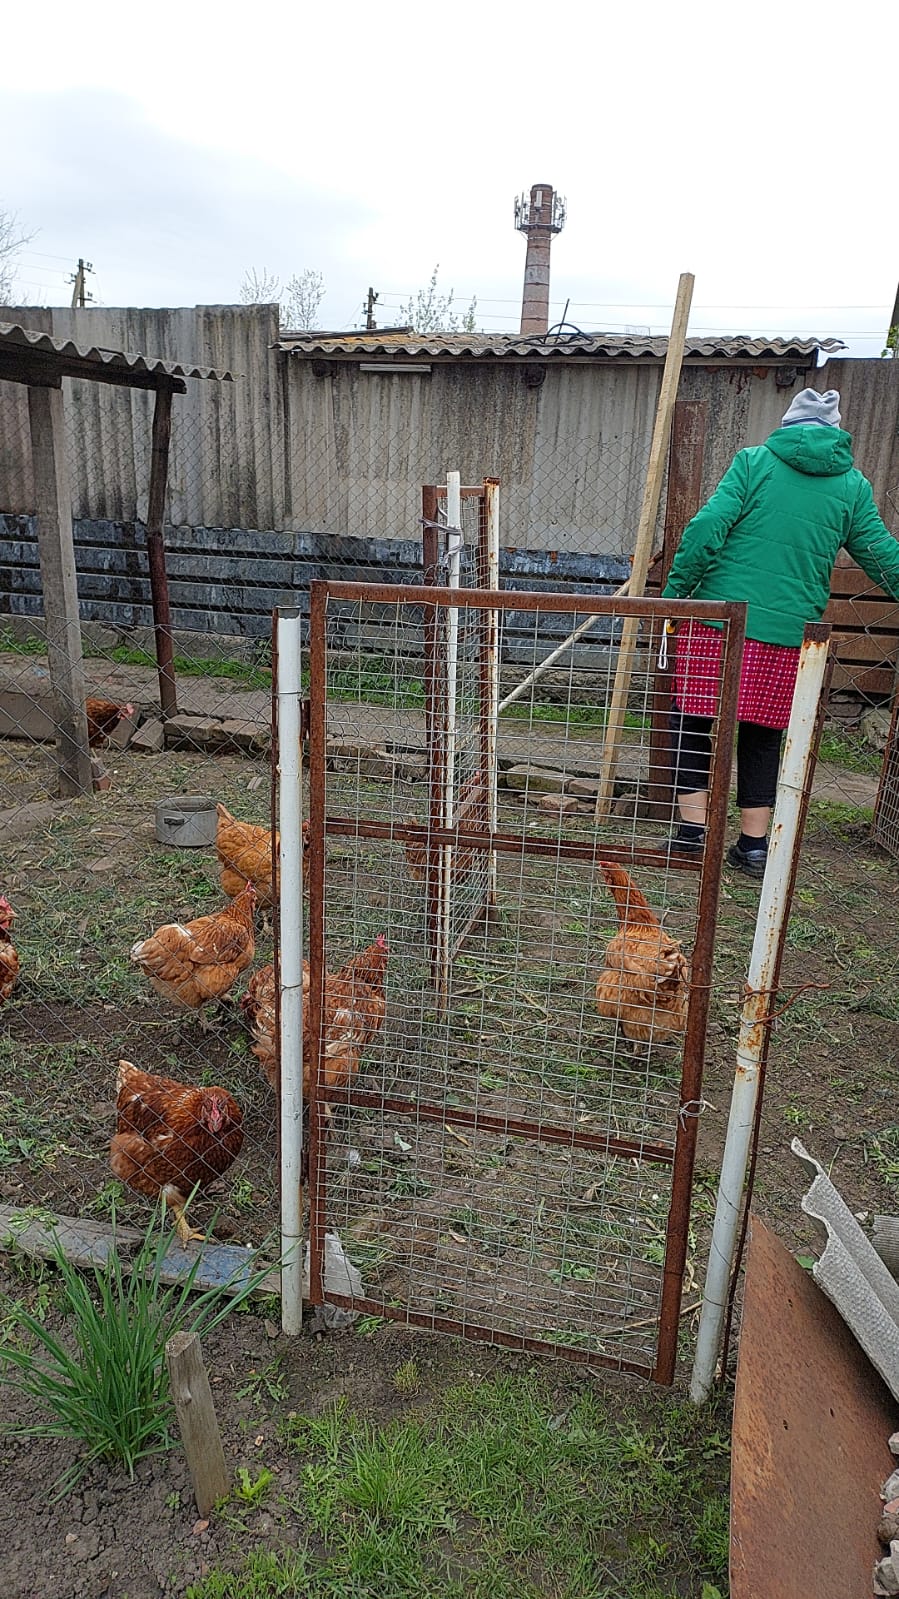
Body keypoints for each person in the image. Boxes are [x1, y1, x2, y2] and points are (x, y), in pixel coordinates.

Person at [660, 387, 899, 877]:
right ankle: (751, 847)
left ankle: (692, 835)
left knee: (692, 723)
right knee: (763, 734)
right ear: (835, 434)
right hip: (787, 634)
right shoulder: (851, 486)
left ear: (787, 426)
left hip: (717, 623)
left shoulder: (754, 462)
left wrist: (677, 594)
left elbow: (706, 528)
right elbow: (881, 556)